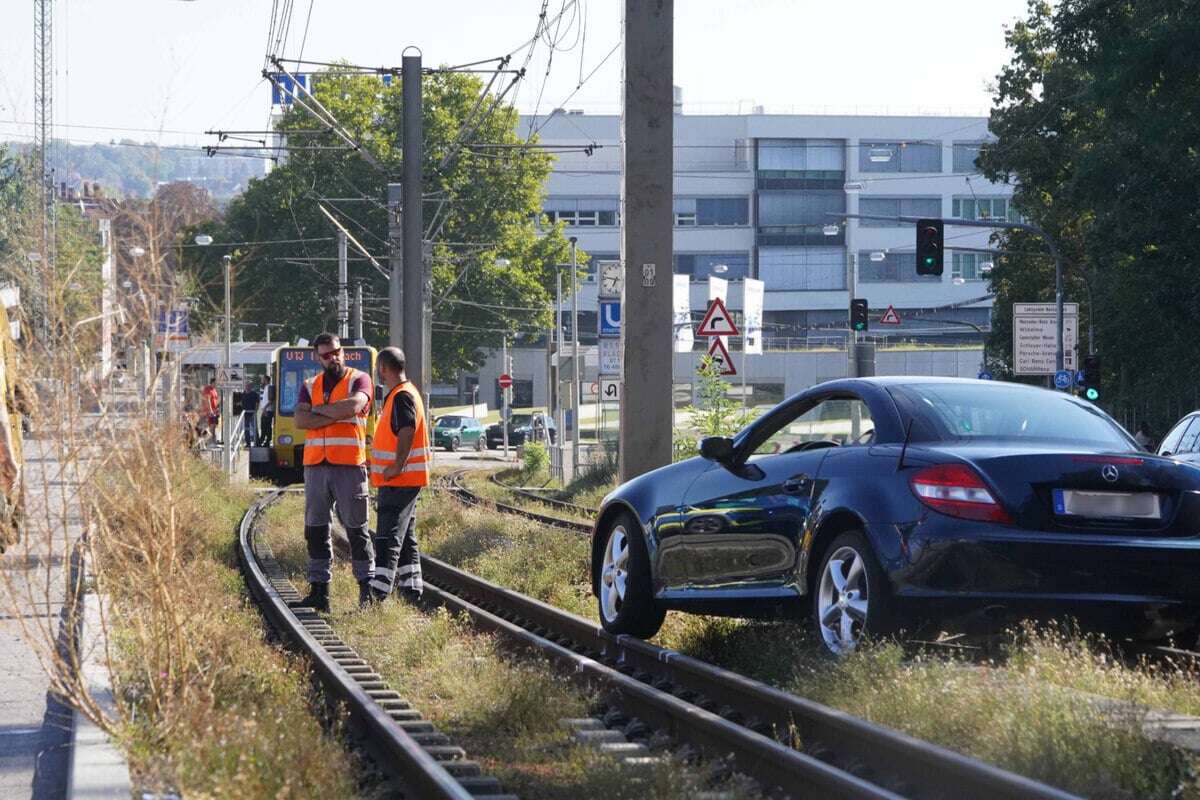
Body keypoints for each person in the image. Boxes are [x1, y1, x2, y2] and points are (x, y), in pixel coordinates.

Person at [292, 333, 374, 611]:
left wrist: (319, 412)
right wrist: (334, 413)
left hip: (349, 464)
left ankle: (366, 592)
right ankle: (319, 593)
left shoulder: (359, 378)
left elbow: (354, 405)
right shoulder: (308, 384)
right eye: (327, 355)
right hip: (316, 466)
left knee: (357, 529)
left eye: (337, 352)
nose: (334, 357)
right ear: (318, 358)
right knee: (315, 529)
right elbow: (300, 420)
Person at [367, 346, 429, 603]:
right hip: (405, 479)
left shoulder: (401, 396)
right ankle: (412, 588)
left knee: (388, 535)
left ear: (383, 368)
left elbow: (406, 431)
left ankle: (378, 591)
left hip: (399, 479)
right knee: (406, 537)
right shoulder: (406, 393)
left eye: (377, 369)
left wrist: (396, 466)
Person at [241, 380, 260, 448]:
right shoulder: (243, 394)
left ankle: (257, 443)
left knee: (255, 428)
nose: (247, 387)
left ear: (251, 386)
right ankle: (248, 443)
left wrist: (256, 411)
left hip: (252, 413)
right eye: (246, 385)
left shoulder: (254, 394)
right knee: (246, 429)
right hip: (245, 414)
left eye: (249, 385)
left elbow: (257, 403)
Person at [201, 378, 220, 442]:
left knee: (214, 426)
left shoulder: (214, 390)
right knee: (209, 427)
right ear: (212, 382)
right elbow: (208, 400)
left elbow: (216, 400)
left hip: (215, 412)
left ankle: (212, 441)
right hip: (208, 412)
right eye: (215, 383)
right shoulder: (207, 389)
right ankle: (207, 442)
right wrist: (210, 410)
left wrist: (217, 408)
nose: (216, 385)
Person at [257, 375, 274, 446]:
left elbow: (271, 400)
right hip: (265, 410)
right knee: (263, 425)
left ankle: (267, 441)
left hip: (268, 410)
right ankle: (262, 440)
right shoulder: (265, 388)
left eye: (263, 379)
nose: (261, 380)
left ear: (266, 380)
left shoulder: (270, 387)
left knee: (267, 426)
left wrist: (265, 408)